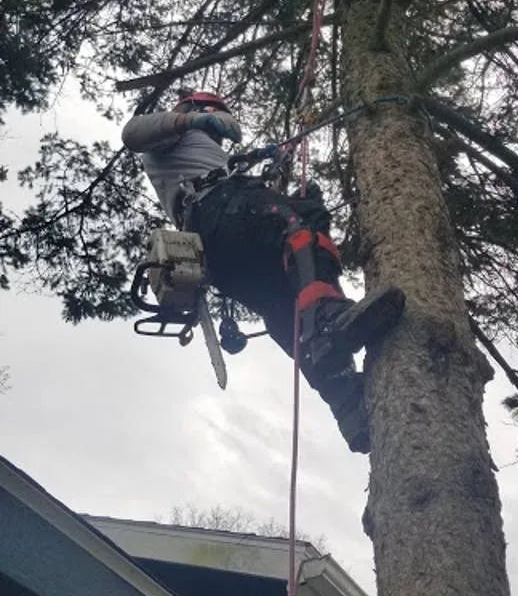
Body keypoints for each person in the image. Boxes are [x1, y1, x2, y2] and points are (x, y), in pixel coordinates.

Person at [122, 91, 404, 452]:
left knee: (284, 306)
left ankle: (349, 405)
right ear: (193, 110)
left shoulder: (199, 154)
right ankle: (328, 321)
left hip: (222, 246)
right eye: (211, 117)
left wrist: (273, 172)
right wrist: (190, 120)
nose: (218, 133)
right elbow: (132, 134)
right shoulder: (172, 133)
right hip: (219, 209)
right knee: (303, 225)